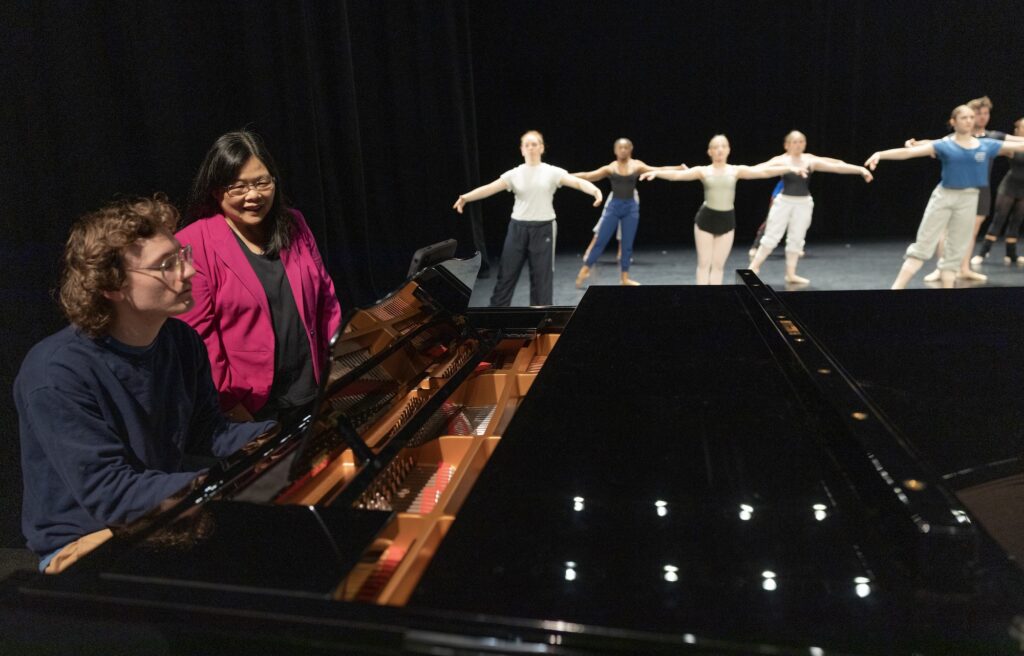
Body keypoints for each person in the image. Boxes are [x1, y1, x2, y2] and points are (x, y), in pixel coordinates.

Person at [14, 195, 276, 574]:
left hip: (158, 515)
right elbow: (111, 493)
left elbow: (207, 431)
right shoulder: (55, 373)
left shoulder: (181, 340)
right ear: (111, 286)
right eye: (166, 265)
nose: (189, 272)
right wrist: (218, 485)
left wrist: (280, 439)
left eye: (182, 255)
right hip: (87, 541)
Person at [177, 130, 342, 422]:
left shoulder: (294, 223)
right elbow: (198, 341)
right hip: (250, 409)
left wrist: (337, 368)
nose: (253, 195)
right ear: (216, 190)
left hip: (314, 390)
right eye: (237, 187)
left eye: (261, 182)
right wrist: (231, 407)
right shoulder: (193, 243)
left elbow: (326, 299)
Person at [865, 105, 1024, 289]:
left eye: (971, 117)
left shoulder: (986, 145)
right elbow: (909, 152)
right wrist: (880, 154)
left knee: (956, 250)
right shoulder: (945, 144)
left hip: (969, 198)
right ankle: (897, 288)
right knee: (923, 245)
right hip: (944, 196)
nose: (969, 121)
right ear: (953, 122)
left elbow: (1020, 145)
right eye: (964, 117)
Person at [453, 130, 602, 305]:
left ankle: (541, 323)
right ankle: (495, 321)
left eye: (534, 144)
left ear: (542, 148)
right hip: (517, 228)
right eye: (527, 145)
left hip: (544, 229)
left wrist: (595, 191)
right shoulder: (514, 174)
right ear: (522, 150)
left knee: (542, 279)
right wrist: (466, 197)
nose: (531, 148)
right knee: (506, 276)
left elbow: (576, 182)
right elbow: (490, 188)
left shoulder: (552, 172)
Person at [639, 134, 805, 285]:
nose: (720, 150)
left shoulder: (735, 170)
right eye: (716, 147)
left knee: (718, 266)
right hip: (706, 220)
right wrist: (656, 172)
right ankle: (702, 299)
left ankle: (715, 300)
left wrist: (789, 168)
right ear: (709, 151)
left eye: (723, 146)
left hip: (727, 221)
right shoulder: (703, 171)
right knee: (704, 264)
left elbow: (762, 171)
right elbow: (677, 176)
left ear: (728, 150)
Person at [909, 96, 1023, 282]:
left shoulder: (993, 137)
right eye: (977, 114)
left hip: (980, 190)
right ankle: (942, 268)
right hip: (956, 188)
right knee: (946, 229)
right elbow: (937, 142)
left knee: (971, 231)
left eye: (986, 113)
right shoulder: (956, 138)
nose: (982, 117)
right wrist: (917, 144)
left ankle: (964, 267)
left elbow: (1018, 141)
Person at [747, 131, 873, 284]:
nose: (798, 144)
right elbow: (759, 169)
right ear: (786, 145)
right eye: (794, 142)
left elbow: (836, 166)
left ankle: (791, 274)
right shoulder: (781, 160)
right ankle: (754, 267)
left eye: (801, 141)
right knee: (772, 236)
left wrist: (860, 169)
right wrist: (734, 172)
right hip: (784, 203)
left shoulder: (809, 160)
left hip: (803, 204)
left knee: (796, 239)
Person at [572, 138, 686, 287]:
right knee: (601, 240)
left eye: (626, 147)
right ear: (615, 150)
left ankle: (624, 278)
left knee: (627, 244)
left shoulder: (636, 166)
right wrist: (565, 176)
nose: (623, 150)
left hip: (631, 208)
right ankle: (585, 269)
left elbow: (658, 168)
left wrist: (679, 167)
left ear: (631, 149)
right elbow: (588, 175)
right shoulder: (610, 168)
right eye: (620, 147)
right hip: (614, 207)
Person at [973, 116, 1024, 264]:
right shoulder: (1010, 146)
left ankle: (1012, 255)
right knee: (999, 219)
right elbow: (990, 148)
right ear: (1018, 130)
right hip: (1009, 187)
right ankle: (982, 254)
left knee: (1017, 220)